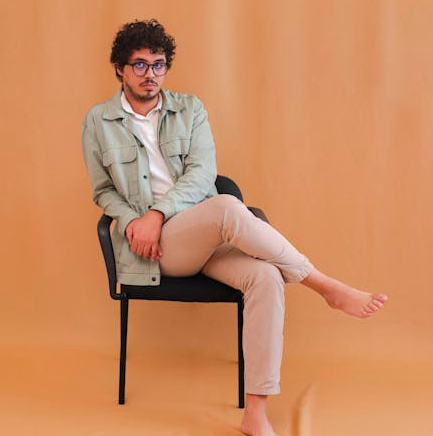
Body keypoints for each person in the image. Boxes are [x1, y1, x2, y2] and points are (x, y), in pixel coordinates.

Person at [81, 18, 389, 436]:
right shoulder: (98, 121)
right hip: (156, 250)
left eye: (158, 64)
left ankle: (255, 414)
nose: (150, 74)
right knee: (228, 206)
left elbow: (202, 174)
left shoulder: (190, 109)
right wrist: (138, 221)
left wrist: (159, 213)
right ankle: (325, 286)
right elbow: (103, 190)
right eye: (139, 65)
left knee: (265, 277)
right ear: (120, 68)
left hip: (201, 233)